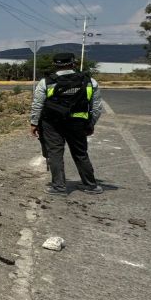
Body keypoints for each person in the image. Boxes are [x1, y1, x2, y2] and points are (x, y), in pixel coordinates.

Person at [29, 52, 104, 195]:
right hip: (78, 123)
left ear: (55, 65)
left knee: (55, 153)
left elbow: (37, 105)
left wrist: (34, 123)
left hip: (52, 124)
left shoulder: (46, 82)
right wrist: (90, 124)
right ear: (73, 63)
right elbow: (97, 107)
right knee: (80, 153)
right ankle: (91, 185)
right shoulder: (89, 81)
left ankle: (59, 187)